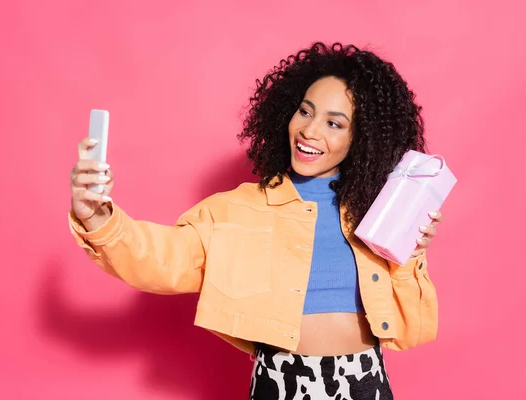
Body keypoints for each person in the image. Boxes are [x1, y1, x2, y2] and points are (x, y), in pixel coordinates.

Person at [68, 42, 443, 399]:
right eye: (306, 111)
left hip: (365, 382)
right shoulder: (237, 209)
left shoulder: (376, 211)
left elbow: (413, 328)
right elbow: (163, 259)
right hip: (280, 382)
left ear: (361, 138)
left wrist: (411, 253)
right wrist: (98, 216)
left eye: (334, 123)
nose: (309, 131)